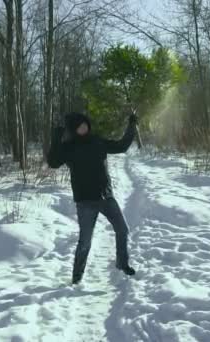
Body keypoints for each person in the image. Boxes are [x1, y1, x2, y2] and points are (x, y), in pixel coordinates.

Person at [47, 112, 138, 285]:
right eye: (79, 126)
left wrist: (131, 126)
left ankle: (122, 263)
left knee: (123, 229)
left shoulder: (98, 141)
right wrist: (56, 136)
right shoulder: (68, 147)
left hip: (106, 196)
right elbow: (53, 162)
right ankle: (77, 277)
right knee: (85, 241)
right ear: (73, 129)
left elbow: (121, 146)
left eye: (85, 124)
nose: (83, 127)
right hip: (85, 202)